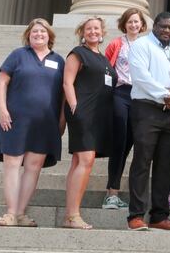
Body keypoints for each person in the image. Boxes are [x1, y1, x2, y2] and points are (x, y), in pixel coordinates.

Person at [0, 19, 64, 227]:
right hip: (15, 120)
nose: (39, 34)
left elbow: (63, 96)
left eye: (42, 31)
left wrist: (61, 121)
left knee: (33, 167)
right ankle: (10, 213)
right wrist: (2, 110)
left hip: (44, 123)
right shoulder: (18, 55)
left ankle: (21, 213)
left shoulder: (59, 60)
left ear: (49, 35)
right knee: (12, 165)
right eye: (34, 31)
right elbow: (2, 82)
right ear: (28, 35)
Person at [126, 12, 170, 231]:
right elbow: (141, 76)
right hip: (146, 110)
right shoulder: (141, 45)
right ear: (154, 26)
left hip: (169, 113)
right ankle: (136, 215)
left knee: (166, 165)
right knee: (142, 162)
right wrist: (165, 94)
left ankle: (159, 216)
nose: (167, 31)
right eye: (163, 26)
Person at [61, 16, 115, 230]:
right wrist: (74, 105)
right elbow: (67, 81)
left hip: (99, 116)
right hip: (82, 111)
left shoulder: (103, 58)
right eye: (88, 28)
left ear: (102, 32)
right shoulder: (78, 53)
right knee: (86, 159)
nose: (93, 31)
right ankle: (74, 215)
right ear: (82, 32)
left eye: (96, 28)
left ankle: (69, 216)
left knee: (79, 161)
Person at [102, 7, 149, 210]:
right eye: (130, 21)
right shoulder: (116, 43)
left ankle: (133, 194)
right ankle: (112, 192)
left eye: (136, 21)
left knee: (133, 143)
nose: (133, 25)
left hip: (140, 97)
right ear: (124, 24)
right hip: (120, 93)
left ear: (142, 24)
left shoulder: (148, 45)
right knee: (119, 144)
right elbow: (105, 69)